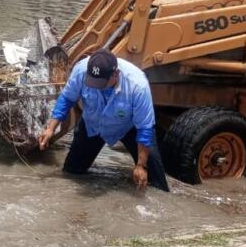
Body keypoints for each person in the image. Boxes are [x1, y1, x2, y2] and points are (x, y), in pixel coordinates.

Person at [39, 48, 169, 191]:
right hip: (93, 125)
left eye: (101, 84)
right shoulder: (81, 70)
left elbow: (145, 128)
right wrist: (51, 128)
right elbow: (67, 99)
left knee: (157, 185)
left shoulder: (137, 86)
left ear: (116, 74)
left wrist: (141, 165)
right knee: (71, 174)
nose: (97, 88)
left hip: (129, 127)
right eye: (93, 83)